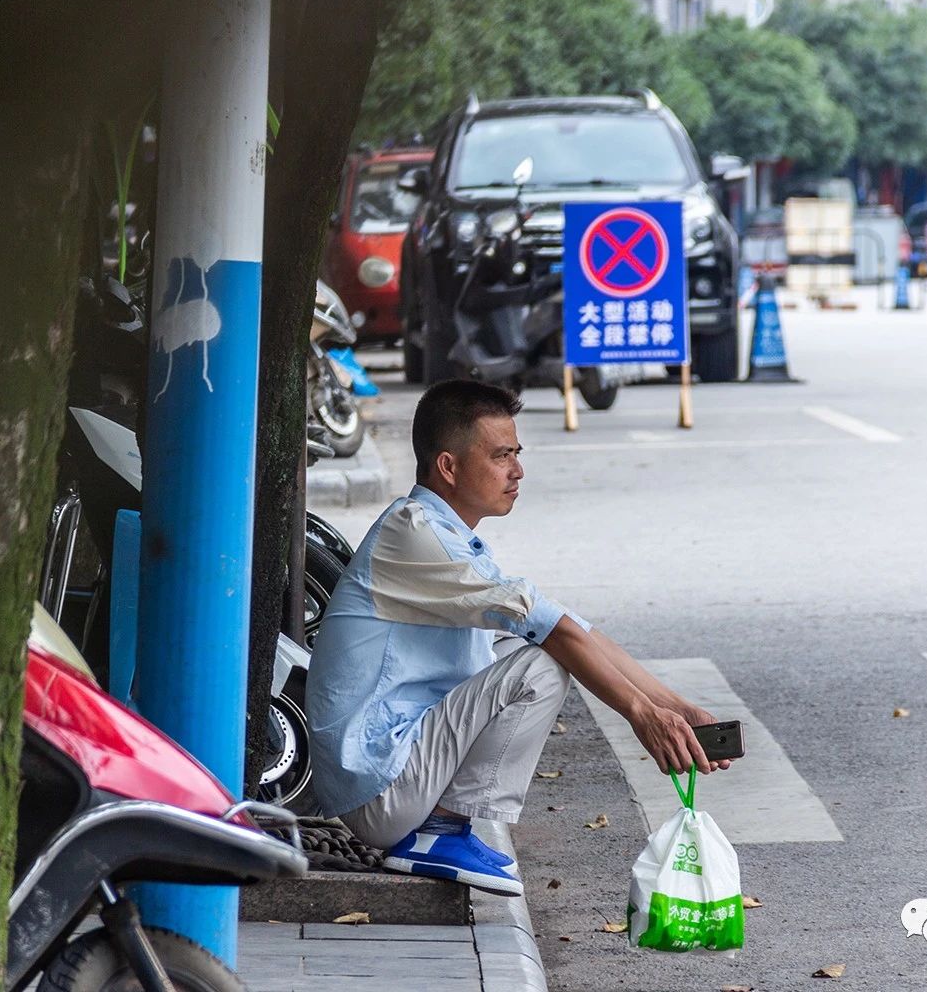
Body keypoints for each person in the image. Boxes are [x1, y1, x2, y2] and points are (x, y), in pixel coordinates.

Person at [306, 379, 729, 895]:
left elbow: (570, 625)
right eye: (502, 455)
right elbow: (556, 632)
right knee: (542, 664)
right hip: (377, 782)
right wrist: (641, 716)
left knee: (536, 644)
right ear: (449, 466)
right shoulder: (417, 536)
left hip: (396, 762)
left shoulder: (448, 533)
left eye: (517, 453)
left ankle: (441, 825)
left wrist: (676, 708)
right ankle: (438, 832)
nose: (518, 470)